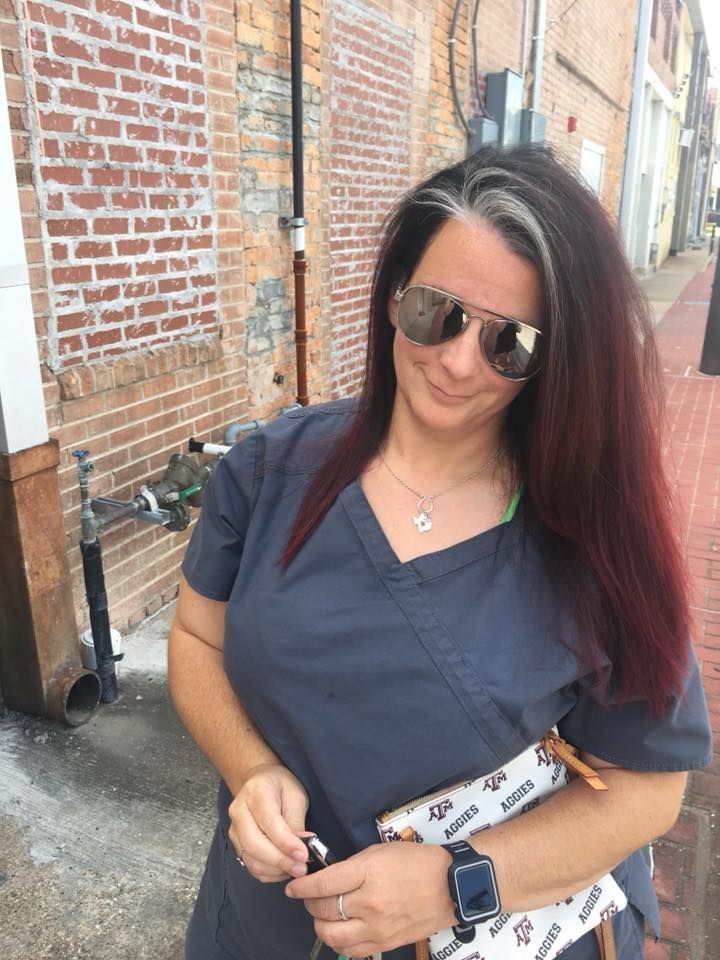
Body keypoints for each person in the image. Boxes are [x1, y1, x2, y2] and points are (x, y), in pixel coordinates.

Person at [168, 144, 712, 960]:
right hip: (264, 926)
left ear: (558, 359)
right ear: (394, 298)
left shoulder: (595, 538)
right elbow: (196, 642)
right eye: (437, 312)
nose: (458, 361)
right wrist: (250, 770)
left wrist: (455, 883)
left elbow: (648, 790)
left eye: (511, 344)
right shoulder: (272, 470)